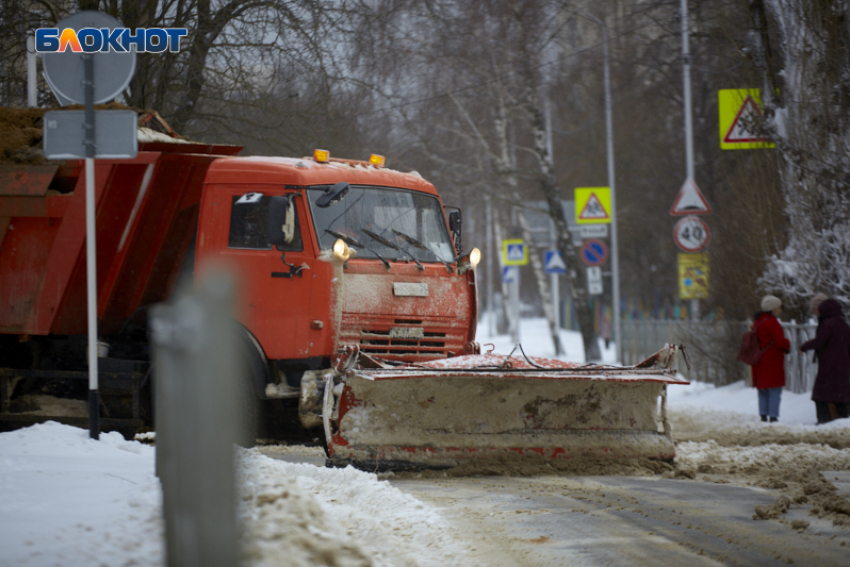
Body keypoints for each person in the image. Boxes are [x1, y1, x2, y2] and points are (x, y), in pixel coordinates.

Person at [800, 297, 850, 424]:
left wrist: (804, 347)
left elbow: (819, 341)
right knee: (840, 393)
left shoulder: (828, 324)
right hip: (843, 365)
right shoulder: (844, 324)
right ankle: (844, 419)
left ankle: (822, 420)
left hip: (828, 364)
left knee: (821, 394)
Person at [751, 295, 790, 422]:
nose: (780, 310)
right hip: (772, 360)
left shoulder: (757, 322)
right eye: (779, 307)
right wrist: (788, 344)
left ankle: (763, 414)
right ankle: (773, 416)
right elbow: (779, 341)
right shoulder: (772, 323)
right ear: (773, 309)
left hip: (759, 360)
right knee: (774, 389)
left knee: (763, 389)